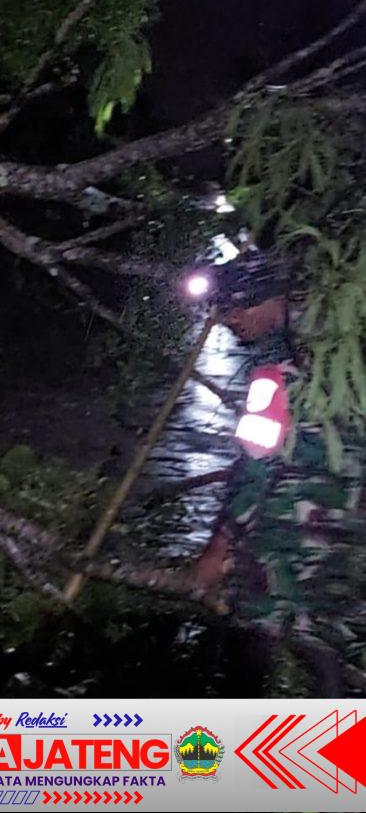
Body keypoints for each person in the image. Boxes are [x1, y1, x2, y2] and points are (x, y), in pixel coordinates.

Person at [190, 248, 361, 692]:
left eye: (234, 308)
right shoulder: (340, 332)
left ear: (264, 299)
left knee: (254, 632)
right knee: (329, 639)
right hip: (351, 525)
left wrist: (219, 547)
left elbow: (257, 465)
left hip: (296, 527)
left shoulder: (275, 371)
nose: (228, 320)